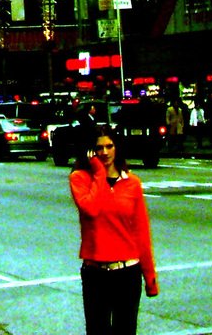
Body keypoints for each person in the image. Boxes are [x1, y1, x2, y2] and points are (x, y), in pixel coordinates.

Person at [69, 128, 158, 334]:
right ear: (91, 151)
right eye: (99, 148)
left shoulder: (132, 183)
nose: (105, 152)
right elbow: (90, 208)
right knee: (97, 329)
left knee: (125, 330)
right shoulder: (80, 179)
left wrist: (150, 277)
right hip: (96, 273)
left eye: (110, 146)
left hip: (128, 272)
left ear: (117, 148)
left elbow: (141, 232)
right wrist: (99, 174)